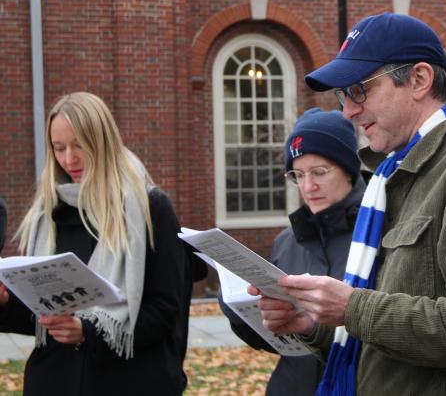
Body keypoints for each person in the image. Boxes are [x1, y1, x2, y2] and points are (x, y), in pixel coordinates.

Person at [253, 13, 446, 395]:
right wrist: (313, 326)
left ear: (420, 80)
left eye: (359, 90)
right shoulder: (393, 177)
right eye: (344, 96)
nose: (348, 111)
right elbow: (387, 351)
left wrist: (353, 308)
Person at [0, 92, 189, 395]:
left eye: (80, 146)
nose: (69, 159)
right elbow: (40, 319)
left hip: (129, 381)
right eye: (59, 148)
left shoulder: (149, 208)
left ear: (103, 143)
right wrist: (7, 305)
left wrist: (90, 332)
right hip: (54, 380)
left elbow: (166, 311)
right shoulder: (48, 212)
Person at [219, 108, 365, 396]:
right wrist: (241, 312)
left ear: (348, 168)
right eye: (297, 175)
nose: (308, 186)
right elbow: (279, 341)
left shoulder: (379, 232)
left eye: (319, 172)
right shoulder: (287, 241)